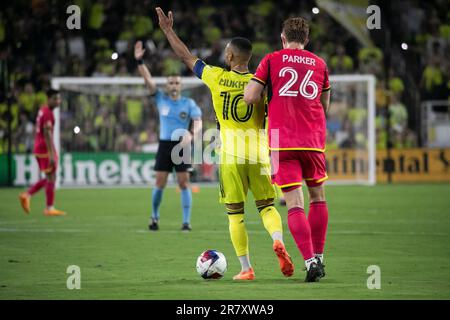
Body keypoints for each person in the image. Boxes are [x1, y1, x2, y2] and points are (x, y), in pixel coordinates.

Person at [156, 7, 294, 280]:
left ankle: (246, 268)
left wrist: (168, 30)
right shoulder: (261, 83)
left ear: (230, 56)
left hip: (230, 154)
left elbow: (185, 56)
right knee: (267, 207)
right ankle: (278, 240)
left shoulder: (216, 76)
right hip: (259, 151)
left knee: (235, 215)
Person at [244, 17, 331, 282]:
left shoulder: (271, 59)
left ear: (283, 37)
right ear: (308, 39)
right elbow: (324, 104)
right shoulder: (320, 63)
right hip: (313, 139)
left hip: (282, 141)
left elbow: (250, 96)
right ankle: (320, 257)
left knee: (294, 203)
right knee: (318, 197)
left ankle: (309, 261)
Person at [134, 40, 203, 232]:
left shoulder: (188, 103)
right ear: (167, 85)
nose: (174, 85)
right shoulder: (160, 98)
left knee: (183, 183)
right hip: (165, 145)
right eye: (171, 82)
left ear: (181, 85)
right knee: (160, 182)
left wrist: (191, 134)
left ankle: (186, 222)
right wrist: (140, 62)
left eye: (177, 82)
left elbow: (198, 122)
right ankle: (154, 217)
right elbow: (148, 81)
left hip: (182, 145)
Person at [19, 89, 66, 216]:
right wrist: (51, 154)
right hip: (45, 149)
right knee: (51, 177)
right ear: (49, 99)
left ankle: (29, 196)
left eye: (59, 99)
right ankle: (48, 207)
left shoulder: (43, 110)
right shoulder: (48, 113)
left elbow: (39, 130)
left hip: (41, 147)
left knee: (51, 177)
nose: (58, 101)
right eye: (55, 99)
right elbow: (47, 133)